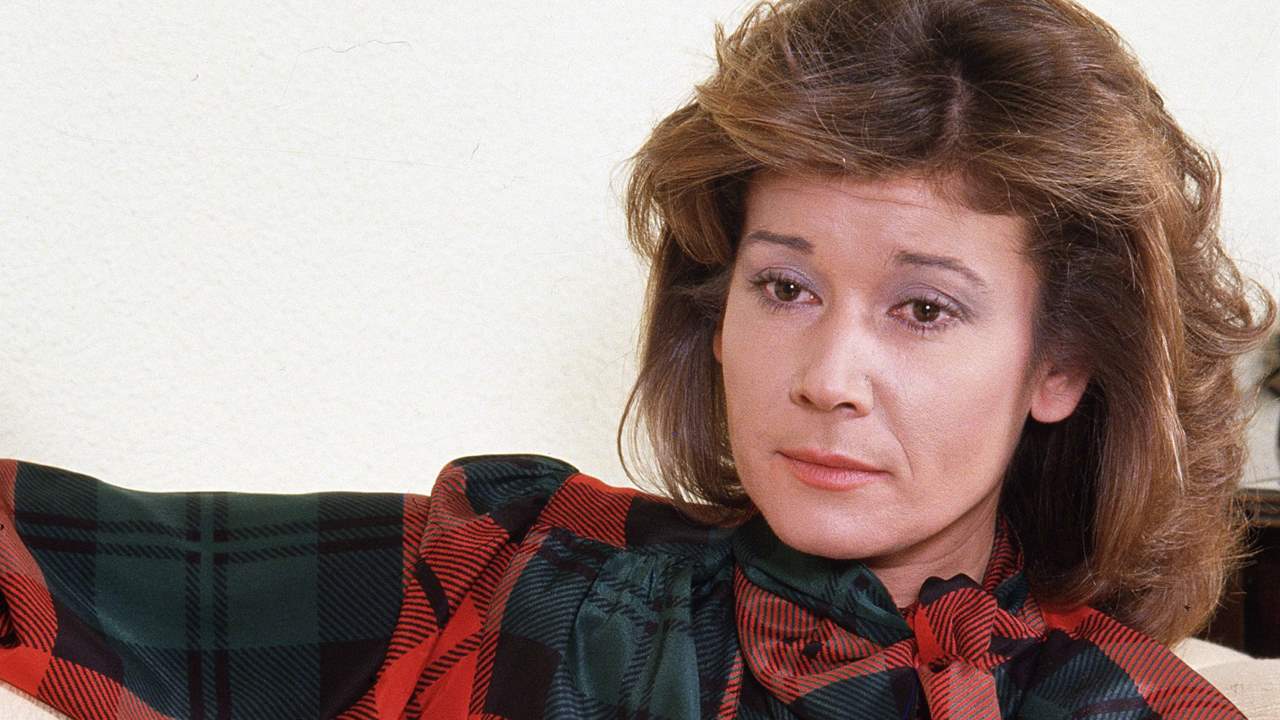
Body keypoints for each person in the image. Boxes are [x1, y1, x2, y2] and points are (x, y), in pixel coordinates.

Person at [1, 0, 1275, 717]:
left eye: (924, 310)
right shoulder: (512, 574)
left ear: (1059, 365)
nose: (827, 375)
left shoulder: (1128, 708)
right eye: (784, 287)